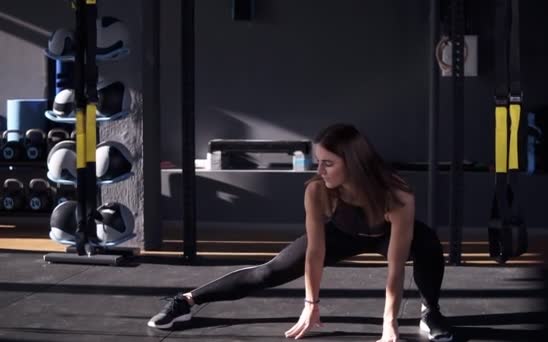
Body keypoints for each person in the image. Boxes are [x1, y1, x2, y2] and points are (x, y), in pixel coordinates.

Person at [147, 123, 453, 342]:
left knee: (426, 245)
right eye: (318, 162)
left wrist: (390, 324)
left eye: (328, 164)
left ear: (355, 163)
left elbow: (396, 269)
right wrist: (311, 305)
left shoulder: (397, 195)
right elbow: (315, 253)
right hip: (341, 234)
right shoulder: (317, 192)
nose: (319, 171)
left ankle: (431, 312)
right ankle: (186, 302)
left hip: (385, 236)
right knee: (267, 272)